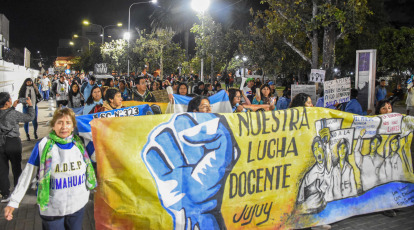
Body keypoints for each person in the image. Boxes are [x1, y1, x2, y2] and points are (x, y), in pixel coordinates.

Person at [3, 108, 97, 229]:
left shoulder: (80, 145)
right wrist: (14, 201)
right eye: (59, 122)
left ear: (73, 126)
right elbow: (27, 174)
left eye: (68, 123)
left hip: (77, 206)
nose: (64, 127)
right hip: (53, 208)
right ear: (53, 126)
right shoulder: (43, 146)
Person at [0, 93, 35, 203]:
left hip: (0, 143)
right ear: (7, 102)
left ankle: (5, 194)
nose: (11, 99)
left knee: (2, 170)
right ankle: (17, 191)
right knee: (16, 168)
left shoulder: (10, 111)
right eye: (9, 98)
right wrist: (30, 105)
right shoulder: (13, 114)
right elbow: (29, 117)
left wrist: (13, 107)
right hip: (13, 142)